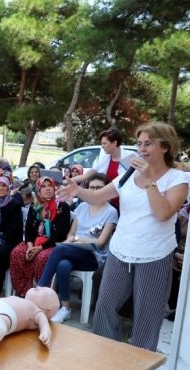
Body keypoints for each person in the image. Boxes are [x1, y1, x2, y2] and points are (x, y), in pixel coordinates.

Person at [57, 122, 189, 352]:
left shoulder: (178, 179)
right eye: (139, 144)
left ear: (165, 147)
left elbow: (163, 213)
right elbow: (98, 197)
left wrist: (149, 179)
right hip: (120, 251)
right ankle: (108, 357)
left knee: (147, 317)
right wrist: (79, 192)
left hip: (155, 255)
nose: (142, 149)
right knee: (105, 306)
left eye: (149, 143)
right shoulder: (128, 174)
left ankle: (138, 368)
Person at [36, 173, 118, 323]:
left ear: (106, 189)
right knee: (63, 265)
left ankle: (39, 290)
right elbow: (71, 233)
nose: (94, 190)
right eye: (91, 187)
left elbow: (100, 242)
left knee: (60, 250)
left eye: (99, 188)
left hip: (94, 256)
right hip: (73, 250)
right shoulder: (82, 207)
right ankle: (65, 308)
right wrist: (70, 241)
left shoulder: (111, 212)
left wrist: (76, 240)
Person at [10, 177, 71, 297]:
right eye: (43, 186)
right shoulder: (35, 206)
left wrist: (40, 248)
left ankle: (43, 294)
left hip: (53, 244)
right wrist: (29, 246)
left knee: (41, 258)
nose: (47, 188)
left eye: (50, 185)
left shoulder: (62, 206)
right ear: (38, 189)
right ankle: (24, 291)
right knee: (16, 253)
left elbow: (61, 234)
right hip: (34, 243)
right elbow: (28, 229)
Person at [71, 128, 128, 210]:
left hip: (125, 203)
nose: (102, 146)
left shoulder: (129, 157)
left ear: (114, 143)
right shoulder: (105, 159)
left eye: (104, 143)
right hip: (110, 202)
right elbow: (85, 176)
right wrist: (64, 181)